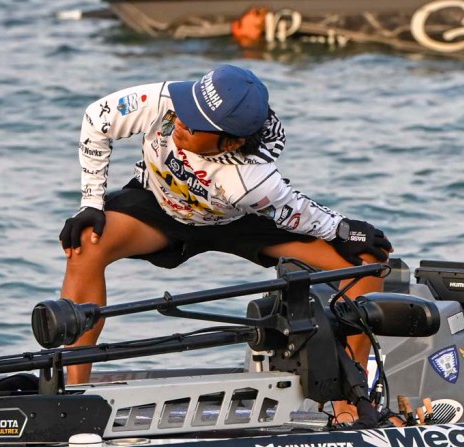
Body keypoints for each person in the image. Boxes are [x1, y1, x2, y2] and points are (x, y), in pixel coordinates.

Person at [58, 64, 393, 423]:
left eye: (194, 125)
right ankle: (73, 396)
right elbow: (96, 119)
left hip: (238, 219)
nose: (180, 123)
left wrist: (345, 231)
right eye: (185, 112)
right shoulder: (164, 100)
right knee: (85, 242)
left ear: (231, 142)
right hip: (160, 206)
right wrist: (91, 203)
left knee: (368, 262)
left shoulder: (251, 181)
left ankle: (350, 399)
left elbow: (301, 214)